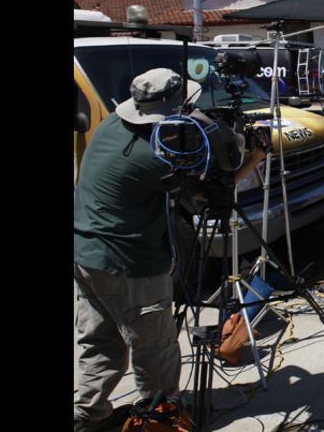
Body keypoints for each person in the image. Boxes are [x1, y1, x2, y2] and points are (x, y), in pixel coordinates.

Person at [74, 69, 266, 431]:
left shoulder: (109, 127)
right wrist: (252, 160)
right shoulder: (153, 154)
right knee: (155, 348)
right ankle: (161, 417)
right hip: (130, 263)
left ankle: (88, 416)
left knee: (101, 342)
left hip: (85, 254)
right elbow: (205, 197)